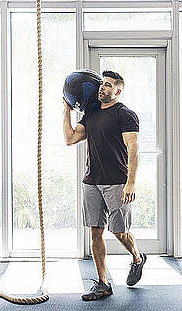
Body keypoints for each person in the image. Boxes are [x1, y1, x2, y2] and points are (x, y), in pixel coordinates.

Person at [63, 70, 146, 301]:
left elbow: (133, 149)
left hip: (118, 183)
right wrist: (66, 111)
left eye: (108, 85)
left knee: (120, 232)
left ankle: (137, 258)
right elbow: (70, 139)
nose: (102, 88)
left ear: (118, 91)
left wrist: (131, 183)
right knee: (95, 233)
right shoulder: (90, 113)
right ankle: (103, 283)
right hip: (92, 182)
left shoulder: (125, 115)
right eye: (102, 84)